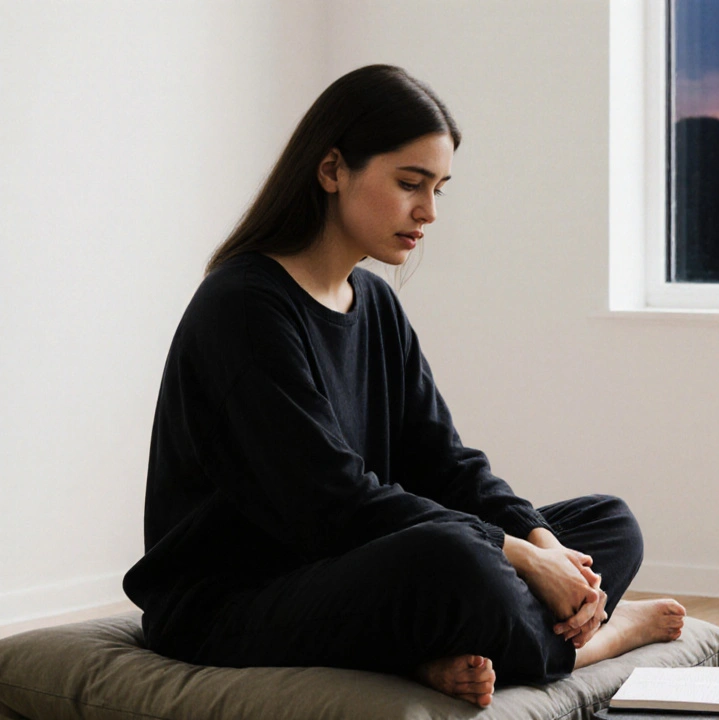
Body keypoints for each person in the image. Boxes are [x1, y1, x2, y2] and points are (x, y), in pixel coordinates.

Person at [122, 64, 685, 708]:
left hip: (347, 571)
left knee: (608, 522)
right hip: (231, 600)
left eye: (440, 188)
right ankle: (593, 641)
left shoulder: (376, 304)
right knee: (457, 561)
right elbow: (333, 506)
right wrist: (520, 562)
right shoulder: (243, 307)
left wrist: (542, 544)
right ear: (332, 170)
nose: (429, 212)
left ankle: (420, 650)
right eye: (410, 184)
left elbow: (446, 466)